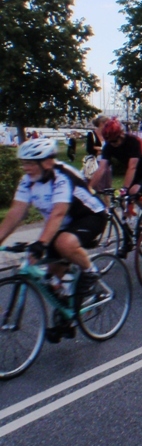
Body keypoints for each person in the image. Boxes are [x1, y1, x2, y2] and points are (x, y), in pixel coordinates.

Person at [0, 138, 106, 341]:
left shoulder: (61, 177)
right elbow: (16, 213)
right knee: (51, 275)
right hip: (63, 224)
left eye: (30, 163)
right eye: (23, 162)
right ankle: (67, 316)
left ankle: (90, 272)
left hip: (90, 216)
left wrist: (41, 244)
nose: (26, 167)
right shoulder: (27, 181)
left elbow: (58, 213)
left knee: (63, 243)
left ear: (47, 162)